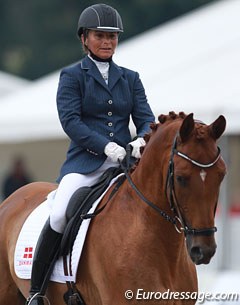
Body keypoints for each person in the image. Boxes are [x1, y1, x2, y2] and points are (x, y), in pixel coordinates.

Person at [26, 3, 155, 305]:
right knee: (59, 214)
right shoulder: (72, 76)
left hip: (126, 163)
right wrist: (104, 146)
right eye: (100, 35)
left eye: (113, 36)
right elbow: (71, 121)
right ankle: (37, 289)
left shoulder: (130, 77)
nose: (108, 42)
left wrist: (142, 140)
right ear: (84, 38)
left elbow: (146, 117)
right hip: (86, 163)